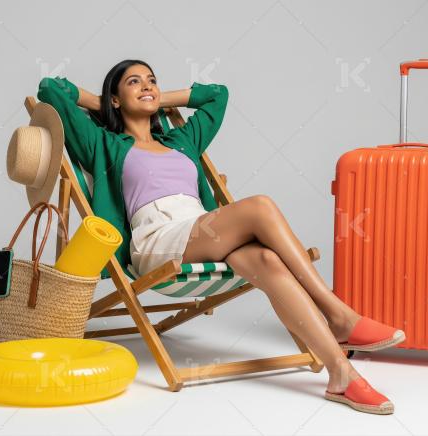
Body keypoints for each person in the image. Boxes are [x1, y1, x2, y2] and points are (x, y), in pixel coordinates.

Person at [37, 59, 405, 415]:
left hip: (202, 230)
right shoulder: (106, 144)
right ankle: (338, 314)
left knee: (267, 260)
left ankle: (341, 373)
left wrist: (153, 99)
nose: (147, 85)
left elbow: (218, 95)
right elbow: (51, 90)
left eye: (152, 79)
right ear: (115, 98)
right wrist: (107, 106)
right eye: (134, 81)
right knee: (260, 206)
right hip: (157, 241)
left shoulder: (182, 140)